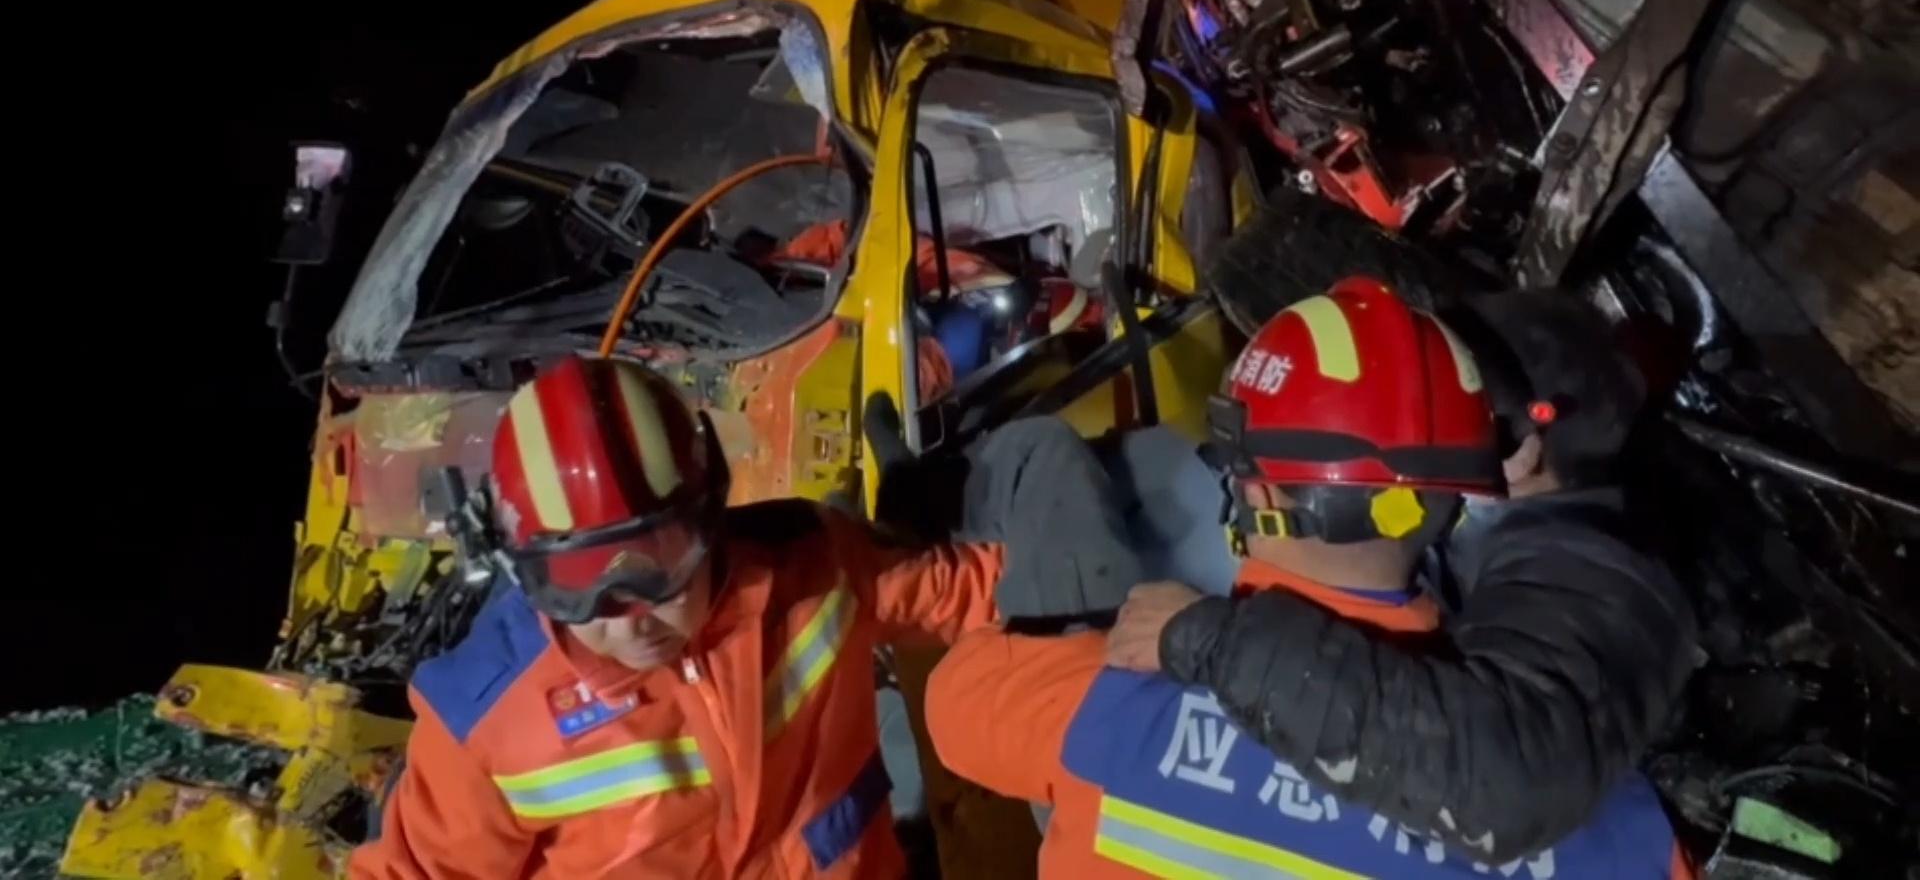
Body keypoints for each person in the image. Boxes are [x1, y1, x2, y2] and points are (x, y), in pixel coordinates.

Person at [925, 278, 1692, 877]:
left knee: (1037, 455)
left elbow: (954, 699)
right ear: (1462, 490)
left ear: (1253, 492)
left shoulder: (1102, 699)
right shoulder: (1604, 820)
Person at [352, 355, 1003, 878]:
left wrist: (1041, 547)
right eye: (580, 587)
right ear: (521, 567)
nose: (630, 618)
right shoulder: (484, 724)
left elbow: (963, 592)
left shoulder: (816, 567)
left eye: (659, 567)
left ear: (710, 522)